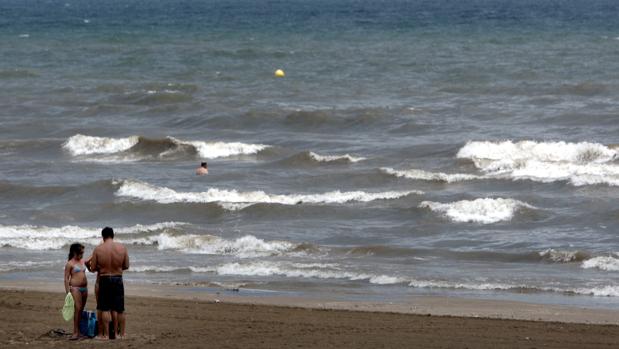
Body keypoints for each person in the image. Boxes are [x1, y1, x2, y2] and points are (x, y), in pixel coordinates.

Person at [88, 227, 129, 340]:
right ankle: (120, 334)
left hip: (104, 279)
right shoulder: (122, 248)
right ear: (113, 235)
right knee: (120, 308)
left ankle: (105, 335)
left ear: (103, 236)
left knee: (104, 307)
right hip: (118, 278)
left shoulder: (98, 249)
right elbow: (126, 266)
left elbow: (93, 268)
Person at [64, 243, 88, 340]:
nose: (82, 254)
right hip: (75, 288)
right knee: (77, 309)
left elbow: (90, 260)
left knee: (81, 310)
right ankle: (75, 332)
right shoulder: (70, 263)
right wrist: (67, 292)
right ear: (75, 252)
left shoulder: (82, 261)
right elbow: (66, 278)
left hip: (84, 288)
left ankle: (79, 332)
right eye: (81, 253)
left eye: (83, 252)